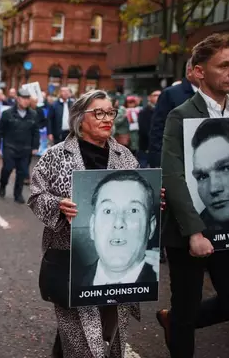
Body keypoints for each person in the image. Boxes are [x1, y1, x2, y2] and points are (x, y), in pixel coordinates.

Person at [157, 33, 229, 358]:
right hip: (190, 232)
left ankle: (174, 321)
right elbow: (172, 174)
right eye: (224, 65)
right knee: (186, 306)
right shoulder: (181, 114)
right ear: (199, 72)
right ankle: (179, 323)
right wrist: (195, 232)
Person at [28, 89, 142, 358]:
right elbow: (35, 195)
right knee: (82, 336)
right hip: (71, 255)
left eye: (110, 112)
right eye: (98, 113)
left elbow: (139, 196)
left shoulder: (123, 155)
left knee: (107, 325)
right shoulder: (57, 155)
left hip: (116, 258)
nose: (107, 119)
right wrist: (58, 205)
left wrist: (150, 200)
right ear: (80, 119)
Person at [73, 170, 159, 288]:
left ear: (152, 227)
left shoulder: (161, 283)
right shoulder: (70, 284)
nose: (119, 223)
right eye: (108, 211)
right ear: (92, 226)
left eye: (133, 210)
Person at [148, 59, 199, 168]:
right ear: (190, 71)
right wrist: (158, 163)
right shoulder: (171, 94)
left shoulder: (215, 95)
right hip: (177, 163)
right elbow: (158, 130)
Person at [0, 88, 39, 204]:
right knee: (7, 169)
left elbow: (36, 132)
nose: (26, 101)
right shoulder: (7, 113)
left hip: (25, 149)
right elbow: (0, 130)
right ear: (18, 99)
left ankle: (18, 194)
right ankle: (2, 185)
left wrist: (35, 146)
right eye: (23, 98)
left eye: (27, 99)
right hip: (10, 147)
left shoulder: (33, 114)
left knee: (22, 172)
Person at [137, 90, 160, 168]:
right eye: (155, 95)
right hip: (146, 147)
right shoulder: (144, 112)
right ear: (149, 98)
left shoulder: (164, 111)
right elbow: (144, 130)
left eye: (160, 95)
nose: (158, 97)